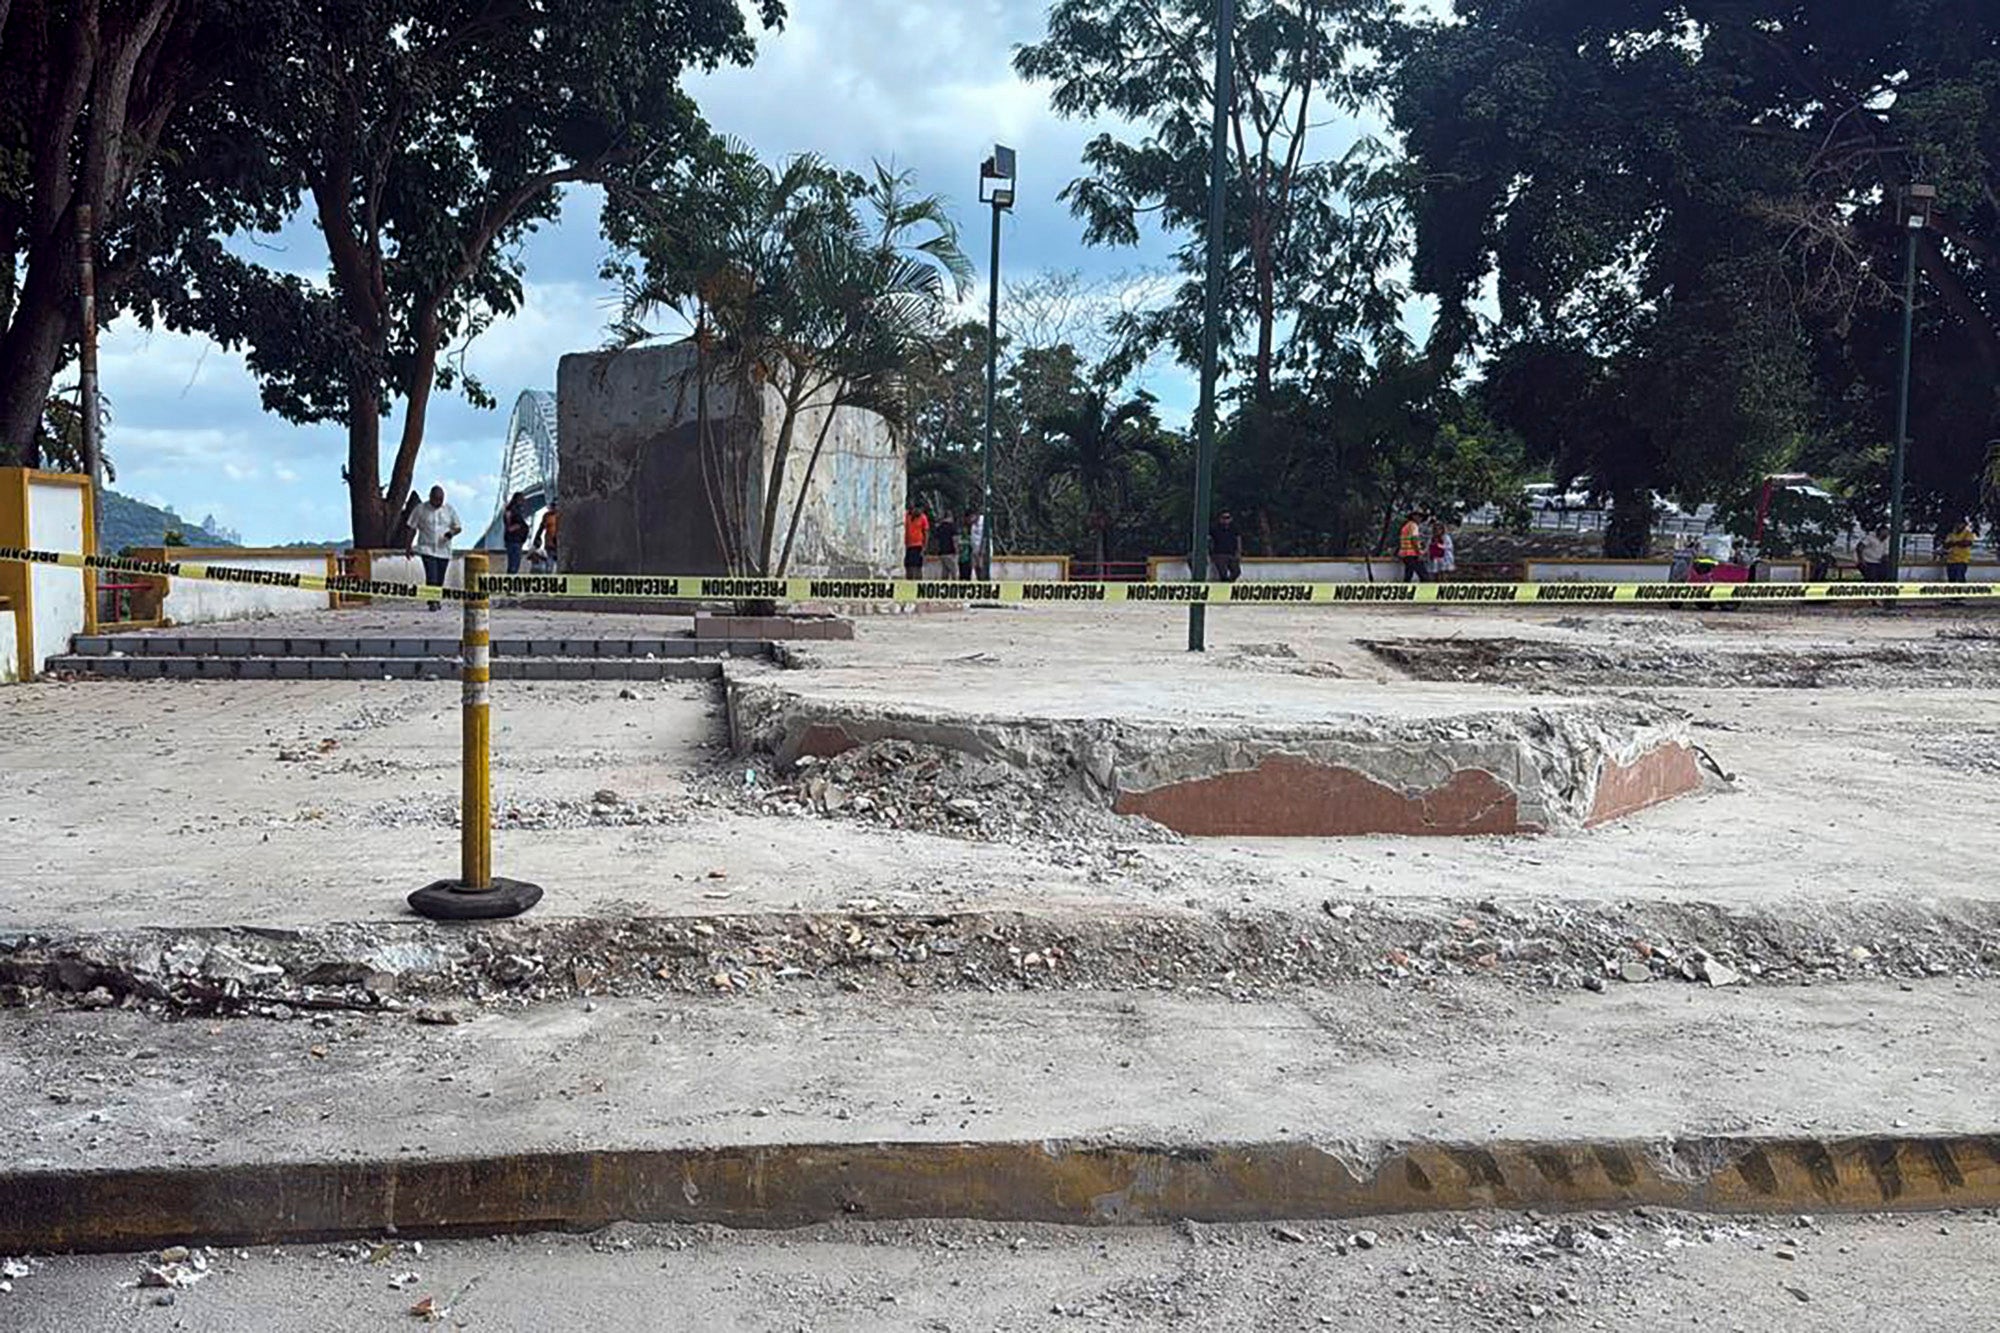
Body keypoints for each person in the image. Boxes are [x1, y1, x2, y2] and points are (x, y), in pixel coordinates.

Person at [405, 484, 461, 610]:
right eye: (436, 499)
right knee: (432, 575)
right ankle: (432, 602)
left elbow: (457, 527)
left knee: (440, 577)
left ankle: (436, 598)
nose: (439, 502)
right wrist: (408, 546)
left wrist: (451, 533)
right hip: (427, 548)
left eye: (441, 499)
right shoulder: (420, 509)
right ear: (430, 497)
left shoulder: (449, 510)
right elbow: (411, 528)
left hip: (444, 550)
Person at [1208, 510, 1243, 582]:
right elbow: (1209, 540)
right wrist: (1211, 553)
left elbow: (1238, 539)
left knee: (1236, 572)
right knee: (1223, 573)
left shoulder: (1234, 529)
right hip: (1219, 554)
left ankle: (1228, 583)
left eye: (1228, 518)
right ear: (1220, 519)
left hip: (1231, 554)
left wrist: (1239, 552)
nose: (1226, 520)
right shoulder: (1215, 529)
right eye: (1224, 518)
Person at [502, 492, 532, 574]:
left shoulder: (516, 510)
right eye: (522, 499)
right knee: (514, 565)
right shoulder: (512, 511)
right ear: (517, 500)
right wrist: (518, 526)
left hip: (517, 540)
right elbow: (509, 527)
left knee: (514, 564)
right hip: (514, 541)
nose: (523, 501)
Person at [1944, 517, 1977, 584]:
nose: (1958, 525)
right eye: (1957, 524)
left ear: (1964, 525)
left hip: (1962, 560)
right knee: (1951, 580)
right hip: (1951, 560)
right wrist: (1957, 543)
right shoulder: (1951, 534)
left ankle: (1962, 592)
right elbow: (1946, 545)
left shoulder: (1968, 533)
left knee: (1960, 578)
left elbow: (1966, 543)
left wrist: (1954, 543)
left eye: (1960, 524)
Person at [1398, 510, 1427, 583]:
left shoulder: (1406, 526)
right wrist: (1419, 552)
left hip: (1405, 554)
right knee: (1424, 575)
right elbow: (1414, 540)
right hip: (1412, 554)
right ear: (1413, 516)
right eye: (1419, 516)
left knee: (1408, 574)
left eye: (1421, 516)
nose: (1420, 518)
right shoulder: (1414, 525)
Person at [902, 502, 930, 580]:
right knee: (908, 566)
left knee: (917, 566)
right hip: (908, 545)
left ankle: (918, 582)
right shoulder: (906, 516)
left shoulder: (923, 517)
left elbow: (926, 532)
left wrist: (925, 547)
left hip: (918, 545)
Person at [532, 503, 561, 571]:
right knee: (549, 563)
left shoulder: (562, 515)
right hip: (550, 543)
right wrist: (537, 537)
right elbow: (541, 527)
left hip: (560, 544)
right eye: (552, 506)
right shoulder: (547, 516)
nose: (554, 508)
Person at [932, 510, 958, 581]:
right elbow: (954, 539)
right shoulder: (952, 527)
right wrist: (957, 550)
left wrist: (937, 550)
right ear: (950, 517)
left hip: (942, 552)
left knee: (945, 572)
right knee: (954, 572)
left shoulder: (940, 527)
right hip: (950, 552)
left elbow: (936, 540)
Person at [957, 511, 976, 580]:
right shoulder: (963, 527)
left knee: (968, 573)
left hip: (969, 554)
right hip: (963, 555)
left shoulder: (972, 527)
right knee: (963, 573)